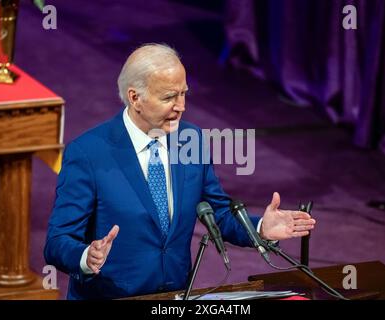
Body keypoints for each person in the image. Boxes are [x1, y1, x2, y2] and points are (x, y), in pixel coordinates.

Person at [44, 43, 316, 300]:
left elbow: (217, 213)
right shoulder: (88, 153)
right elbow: (57, 241)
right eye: (169, 97)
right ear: (135, 97)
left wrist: (259, 228)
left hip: (175, 297)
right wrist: (86, 257)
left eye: (184, 93)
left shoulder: (191, 139)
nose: (181, 106)